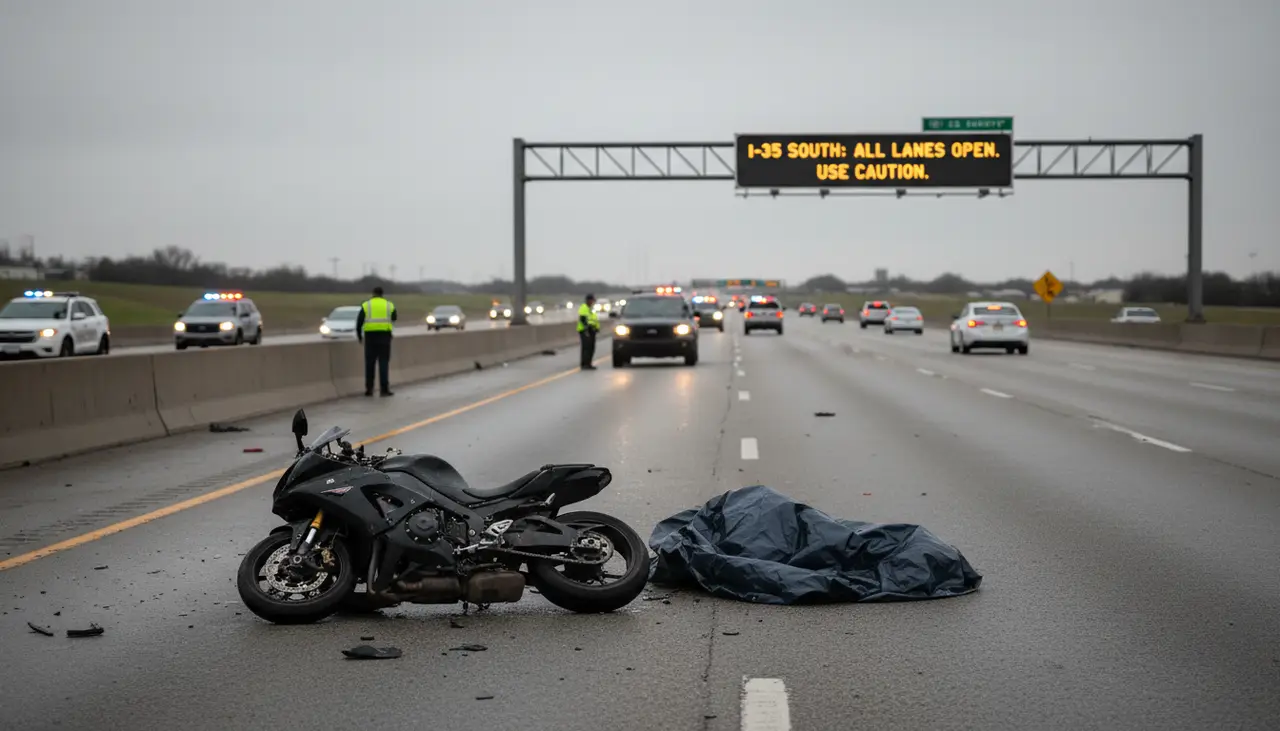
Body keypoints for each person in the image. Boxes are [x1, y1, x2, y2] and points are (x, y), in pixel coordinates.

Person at [355, 286, 397, 396]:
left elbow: (359, 322)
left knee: (369, 364)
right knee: (383, 363)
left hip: (370, 337)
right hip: (384, 337)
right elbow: (394, 317)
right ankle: (384, 389)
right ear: (382, 294)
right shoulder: (389, 305)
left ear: (373, 293)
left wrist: (359, 336)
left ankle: (369, 389)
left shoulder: (366, 305)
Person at [577, 293, 600, 370]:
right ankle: (585, 364)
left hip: (592, 330)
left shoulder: (591, 309)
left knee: (591, 347)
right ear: (588, 300)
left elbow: (594, 319)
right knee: (586, 347)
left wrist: (597, 328)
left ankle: (589, 363)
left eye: (593, 300)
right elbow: (583, 319)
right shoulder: (584, 308)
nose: (592, 302)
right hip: (585, 330)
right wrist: (586, 329)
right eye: (591, 300)